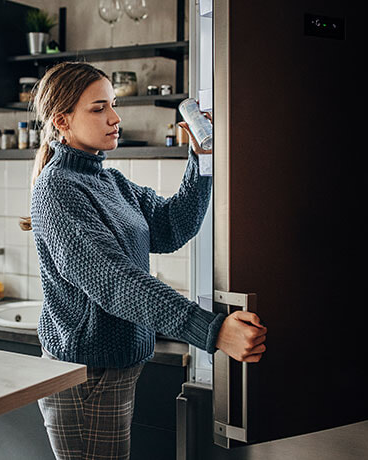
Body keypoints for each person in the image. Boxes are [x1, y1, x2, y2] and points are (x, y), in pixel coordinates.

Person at [18, 62, 267, 460]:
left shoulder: (109, 181)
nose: (115, 118)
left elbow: (171, 227)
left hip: (114, 368)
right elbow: (114, 281)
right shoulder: (56, 189)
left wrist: (200, 160)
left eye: (113, 105)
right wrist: (213, 330)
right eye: (98, 108)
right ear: (62, 121)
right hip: (85, 375)